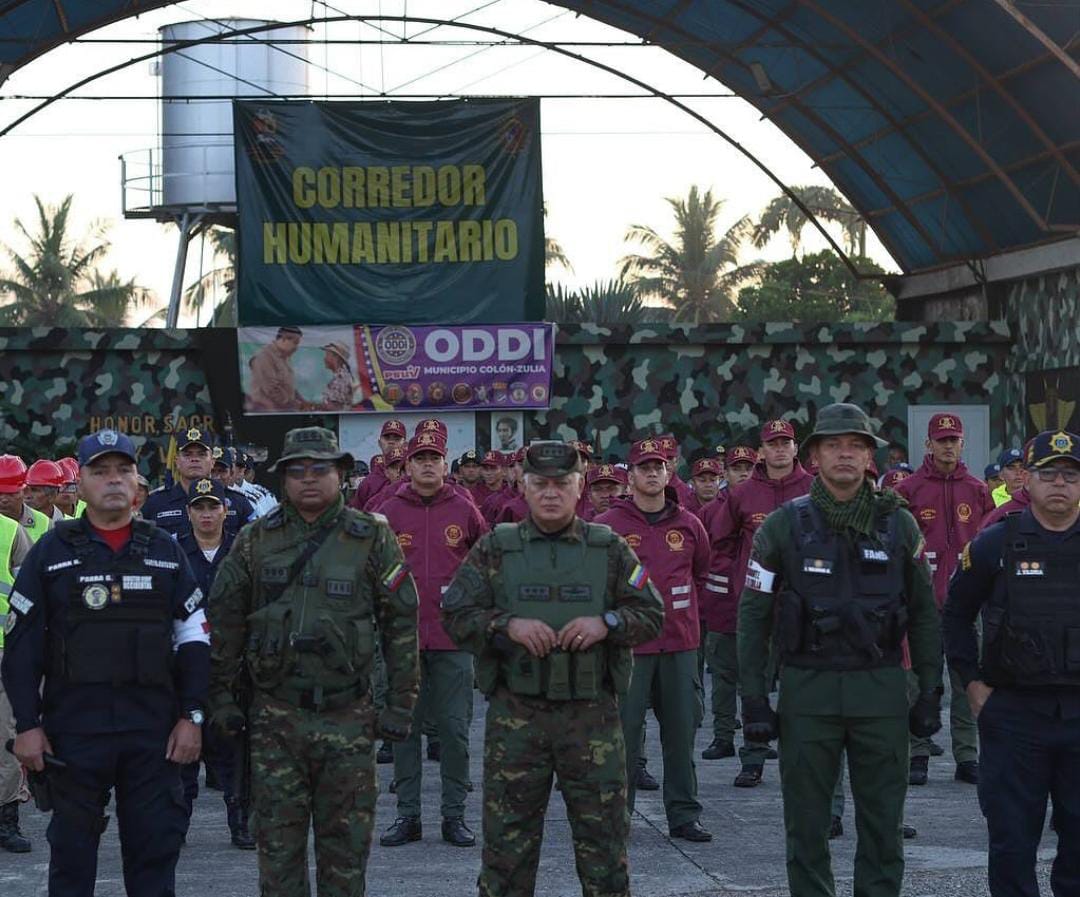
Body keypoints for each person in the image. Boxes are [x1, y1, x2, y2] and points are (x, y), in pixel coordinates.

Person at [737, 403, 943, 897]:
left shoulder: (899, 524)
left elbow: (923, 613)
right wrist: (754, 698)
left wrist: (930, 690)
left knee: (883, 827)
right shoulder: (784, 526)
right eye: (833, 445)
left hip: (881, 691)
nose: (844, 454)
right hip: (809, 692)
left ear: (871, 455)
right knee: (807, 828)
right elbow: (753, 614)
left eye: (856, 445)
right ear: (814, 455)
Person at [442, 440, 664, 897]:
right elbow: (455, 614)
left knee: (604, 851)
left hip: (592, 720)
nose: (550, 493)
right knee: (507, 851)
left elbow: (652, 613)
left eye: (561, 483)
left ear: (579, 485)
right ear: (522, 487)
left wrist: (608, 622)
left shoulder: (609, 549)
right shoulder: (495, 549)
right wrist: (506, 625)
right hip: (516, 718)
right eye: (539, 483)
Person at [206, 426, 420, 897]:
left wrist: (400, 703)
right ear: (282, 478)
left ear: (341, 474)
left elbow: (401, 623)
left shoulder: (371, 538)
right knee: (278, 855)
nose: (308, 479)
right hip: (275, 719)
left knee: (345, 855)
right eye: (297, 470)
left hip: (349, 717)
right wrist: (221, 695)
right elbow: (225, 620)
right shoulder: (255, 540)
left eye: (319, 469)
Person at [2, 429, 209, 896]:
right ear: (83, 480)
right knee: (72, 861)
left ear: (138, 482)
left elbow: (193, 636)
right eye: (100, 471)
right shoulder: (51, 553)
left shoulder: (164, 550)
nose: (112, 480)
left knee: (153, 857)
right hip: (73, 733)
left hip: (152, 733)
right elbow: (22, 645)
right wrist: (28, 726)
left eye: (123, 470)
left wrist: (192, 716)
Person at [945, 430, 1080, 897]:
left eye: (1070, 475)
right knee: (1012, 842)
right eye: (1049, 474)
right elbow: (955, 616)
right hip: (1015, 715)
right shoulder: (994, 543)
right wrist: (971, 683)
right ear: (1028, 480)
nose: (1059, 483)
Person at [595, 437, 712, 842]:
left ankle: (684, 815)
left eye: (658, 467)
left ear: (668, 473)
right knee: (622, 736)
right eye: (643, 467)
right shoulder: (609, 526)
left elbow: (700, 573)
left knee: (681, 734)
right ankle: (616, 817)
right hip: (629, 648)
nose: (651, 473)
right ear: (630, 475)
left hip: (679, 645)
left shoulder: (689, 524)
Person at [376, 432, 486, 848]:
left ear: (445, 465)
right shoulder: (388, 512)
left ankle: (453, 816)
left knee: (455, 731)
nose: (426, 465)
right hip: (403, 641)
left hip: (452, 640)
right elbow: (372, 567)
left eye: (434, 458)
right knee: (403, 731)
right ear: (407, 466)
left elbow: (486, 559)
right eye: (419, 458)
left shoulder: (464, 508)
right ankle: (408, 816)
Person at [703, 420, 813, 785]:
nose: (780, 449)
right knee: (755, 684)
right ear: (761, 451)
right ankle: (752, 758)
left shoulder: (815, 488)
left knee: (802, 686)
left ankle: (801, 758)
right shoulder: (742, 494)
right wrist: (738, 583)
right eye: (773, 443)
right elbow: (721, 541)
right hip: (760, 604)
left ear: (795, 448)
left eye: (786, 442)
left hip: (807, 606)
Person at [895, 412, 994, 786]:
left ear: (962, 443)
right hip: (922, 606)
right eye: (941, 440)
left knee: (967, 678)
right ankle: (918, 751)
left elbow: (987, 544)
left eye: (953, 439)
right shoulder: (909, 490)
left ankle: (967, 755)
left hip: (968, 607)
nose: (948, 445)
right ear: (928, 444)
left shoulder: (977, 489)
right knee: (922, 682)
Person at [176, 478, 254, 850]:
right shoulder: (174, 551)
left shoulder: (243, 551)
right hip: (186, 665)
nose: (206, 514)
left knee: (233, 748)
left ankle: (241, 823)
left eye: (213, 506)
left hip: (232, 668)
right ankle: (176, 824)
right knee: (182, 749)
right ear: (188, 511)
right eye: (199, 507)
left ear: (225, 510)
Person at [143, 428, 254, 538]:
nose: (194, 459)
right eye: (188, 454)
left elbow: (253, 542)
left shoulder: (238, 502)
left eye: (201, 454)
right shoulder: (155, 502)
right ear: (176, 461)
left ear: (212, 462)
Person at [0, 513, 35, 852]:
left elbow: (28, 593)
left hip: (2, 648)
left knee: (5, 739)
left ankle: (6, 818)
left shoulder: (10, 531)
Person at [349, 419, 406, 510]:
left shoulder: (414, 476)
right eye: (387, 438)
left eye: (397, 439)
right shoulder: (368, 483)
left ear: (405, 444)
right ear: (379, 443)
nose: (391, 442)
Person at [246, 326, 306, 412]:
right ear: (283, 339)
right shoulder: (264, 357)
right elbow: (271, 389)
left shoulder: (285, 357)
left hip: (280, 409)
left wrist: (300, 400)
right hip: (267, 411)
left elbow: (287, 385)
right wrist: (291, 404)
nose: (296, 347)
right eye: (295, 343)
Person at [0, 455, 53, 542]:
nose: (4, 499)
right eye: (0, 493)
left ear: (25, 491)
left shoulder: (46, 525)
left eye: (11, 494)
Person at [320, 341, 356, 410]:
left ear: (336, 356)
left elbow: (335, 407)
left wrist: (314, 407)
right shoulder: (341, 375)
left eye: (327, 354)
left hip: (338, 419)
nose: (324, 358)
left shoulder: (341, 378)